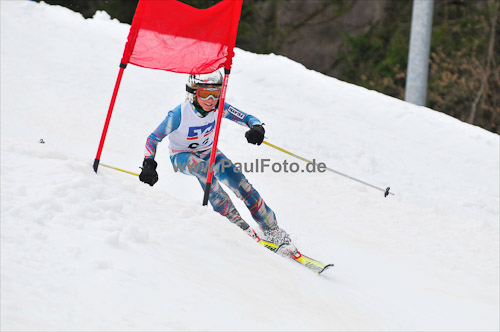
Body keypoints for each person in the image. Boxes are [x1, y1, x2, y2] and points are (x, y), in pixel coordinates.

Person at [139, 70, 296, 255]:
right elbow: (153, 138)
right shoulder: (179, 113)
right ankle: (233, 220)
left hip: (208, 152)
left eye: (216, 93)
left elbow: (247, 118)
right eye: (205, 94)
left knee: (239, 182)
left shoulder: (219, 107)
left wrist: (257, 127)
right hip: (181, 156)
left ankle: (271, 227)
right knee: (205, 172)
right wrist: (149, 164)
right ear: (193, 93)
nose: (211, 99)